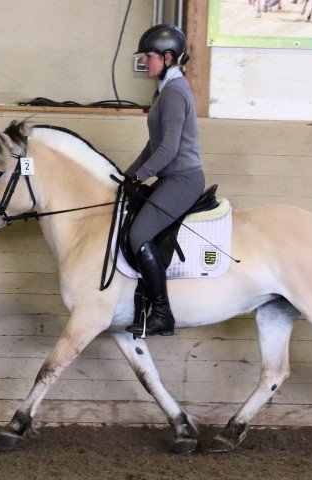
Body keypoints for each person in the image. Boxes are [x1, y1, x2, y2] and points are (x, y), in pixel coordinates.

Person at [123, 24, 205, 337]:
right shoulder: (164, 89)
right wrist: (128, 175)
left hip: (183, 179)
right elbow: (153, 146)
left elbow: (169, 149)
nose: (145, 61)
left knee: (139, 233)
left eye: (149, 55)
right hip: (172, 176)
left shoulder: (173, 92)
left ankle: (161, 313)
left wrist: (141, 176)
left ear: (168, 57)